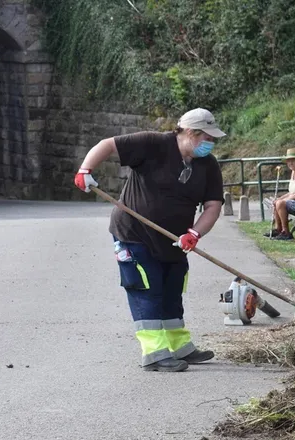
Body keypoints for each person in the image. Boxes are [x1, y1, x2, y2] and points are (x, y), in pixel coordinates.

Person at [74, 108, 226, 372]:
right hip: (134, 234)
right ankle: (154, 353)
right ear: (190, 133)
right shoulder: (154, 144)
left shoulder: (207, 164)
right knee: (146, 288)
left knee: (172, 289)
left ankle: (179, 346)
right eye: (207, 138)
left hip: (175, 241)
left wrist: (194, 233)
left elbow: (213, 205)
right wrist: (85, 169)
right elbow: (107, 145)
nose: (210, 144)